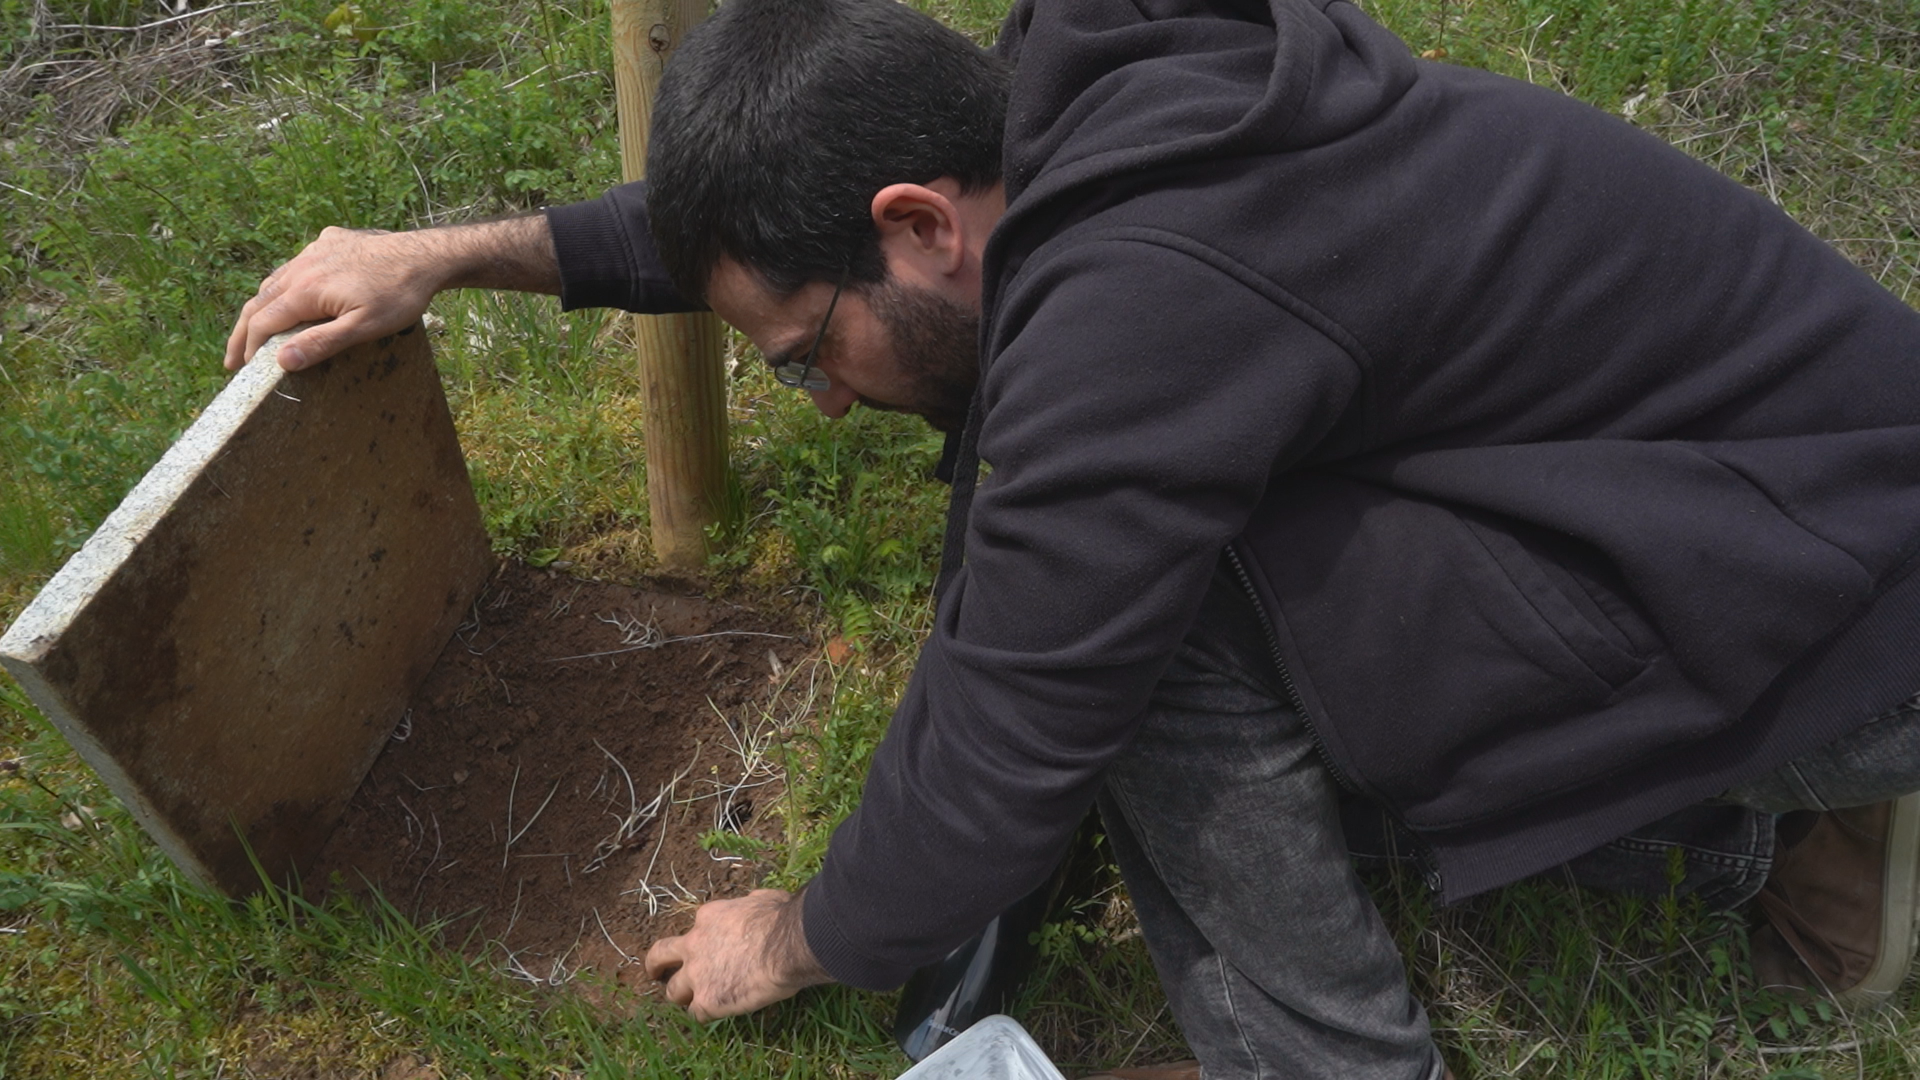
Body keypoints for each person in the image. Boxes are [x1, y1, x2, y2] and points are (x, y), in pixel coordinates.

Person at [227, 0, 1920, 1075]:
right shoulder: (1063, 94)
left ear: (917, 225)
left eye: (809, 356)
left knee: (1142, 645)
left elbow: (1004, 740)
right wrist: (452, 253)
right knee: (1151, 597)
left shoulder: (1133, 340)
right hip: (1774, 508)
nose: (816, 400)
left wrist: (810, 930)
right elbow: (766, 224)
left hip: (1839, 601)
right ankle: (1777, 857)